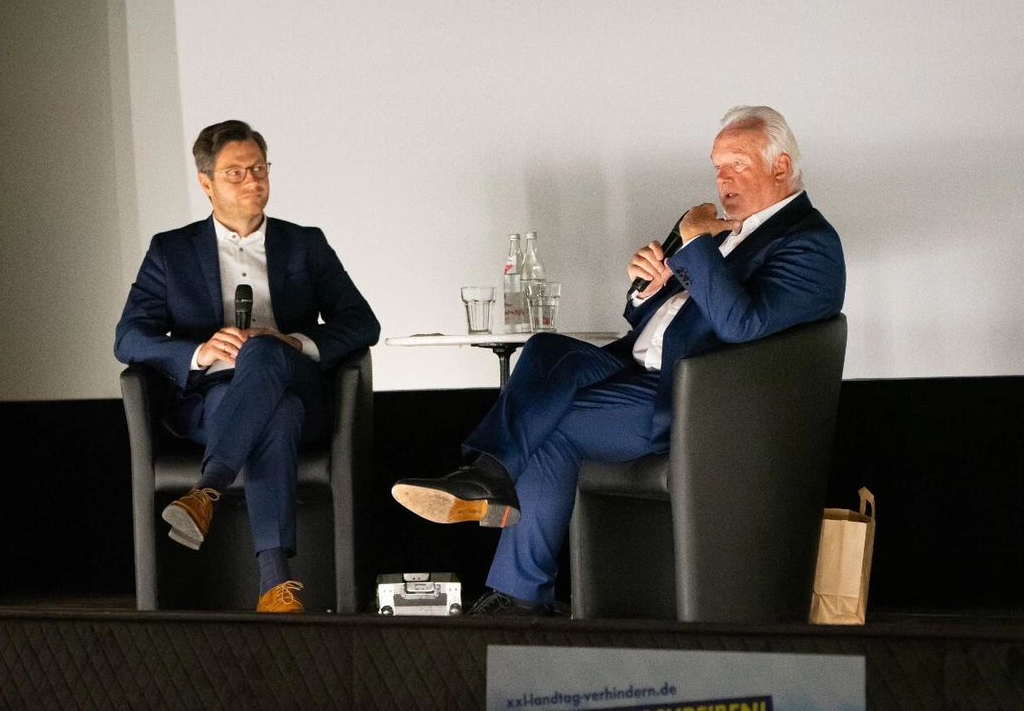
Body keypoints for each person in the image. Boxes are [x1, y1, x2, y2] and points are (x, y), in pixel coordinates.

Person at [392, 106, 847, 615]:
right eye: (717, 166)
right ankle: (489, 483)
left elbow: (741, 324)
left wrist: (696, 245)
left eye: (736, 165)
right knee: (545, 349)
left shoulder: (810, 243)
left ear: (780, 167)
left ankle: (513, 575)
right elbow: (659, 316)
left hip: (693, 399)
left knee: (549, 427)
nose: (722, 180)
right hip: (634, 368)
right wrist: (648, 289)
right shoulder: (724, 230)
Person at [115, 120, 380, 613]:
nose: (252, 181)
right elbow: (128, 337)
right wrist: (199, 351)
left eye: (259, 168)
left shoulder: (304, 243)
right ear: (205, 183)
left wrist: (292, 341)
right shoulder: (171, 251)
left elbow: (363, 323)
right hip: (215, 397)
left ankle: (207, 489)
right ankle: (275, 584)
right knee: (277, 414)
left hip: (298, 380)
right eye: (235, 172)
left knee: (264, 351)